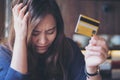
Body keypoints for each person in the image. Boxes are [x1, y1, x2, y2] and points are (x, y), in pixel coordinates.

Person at [0, 0, 108, 80]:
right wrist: (20, 37)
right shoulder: (4, 53)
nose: (43, 41)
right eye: (35, 33)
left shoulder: (69, 48)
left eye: (50, 31)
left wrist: (91, 69)